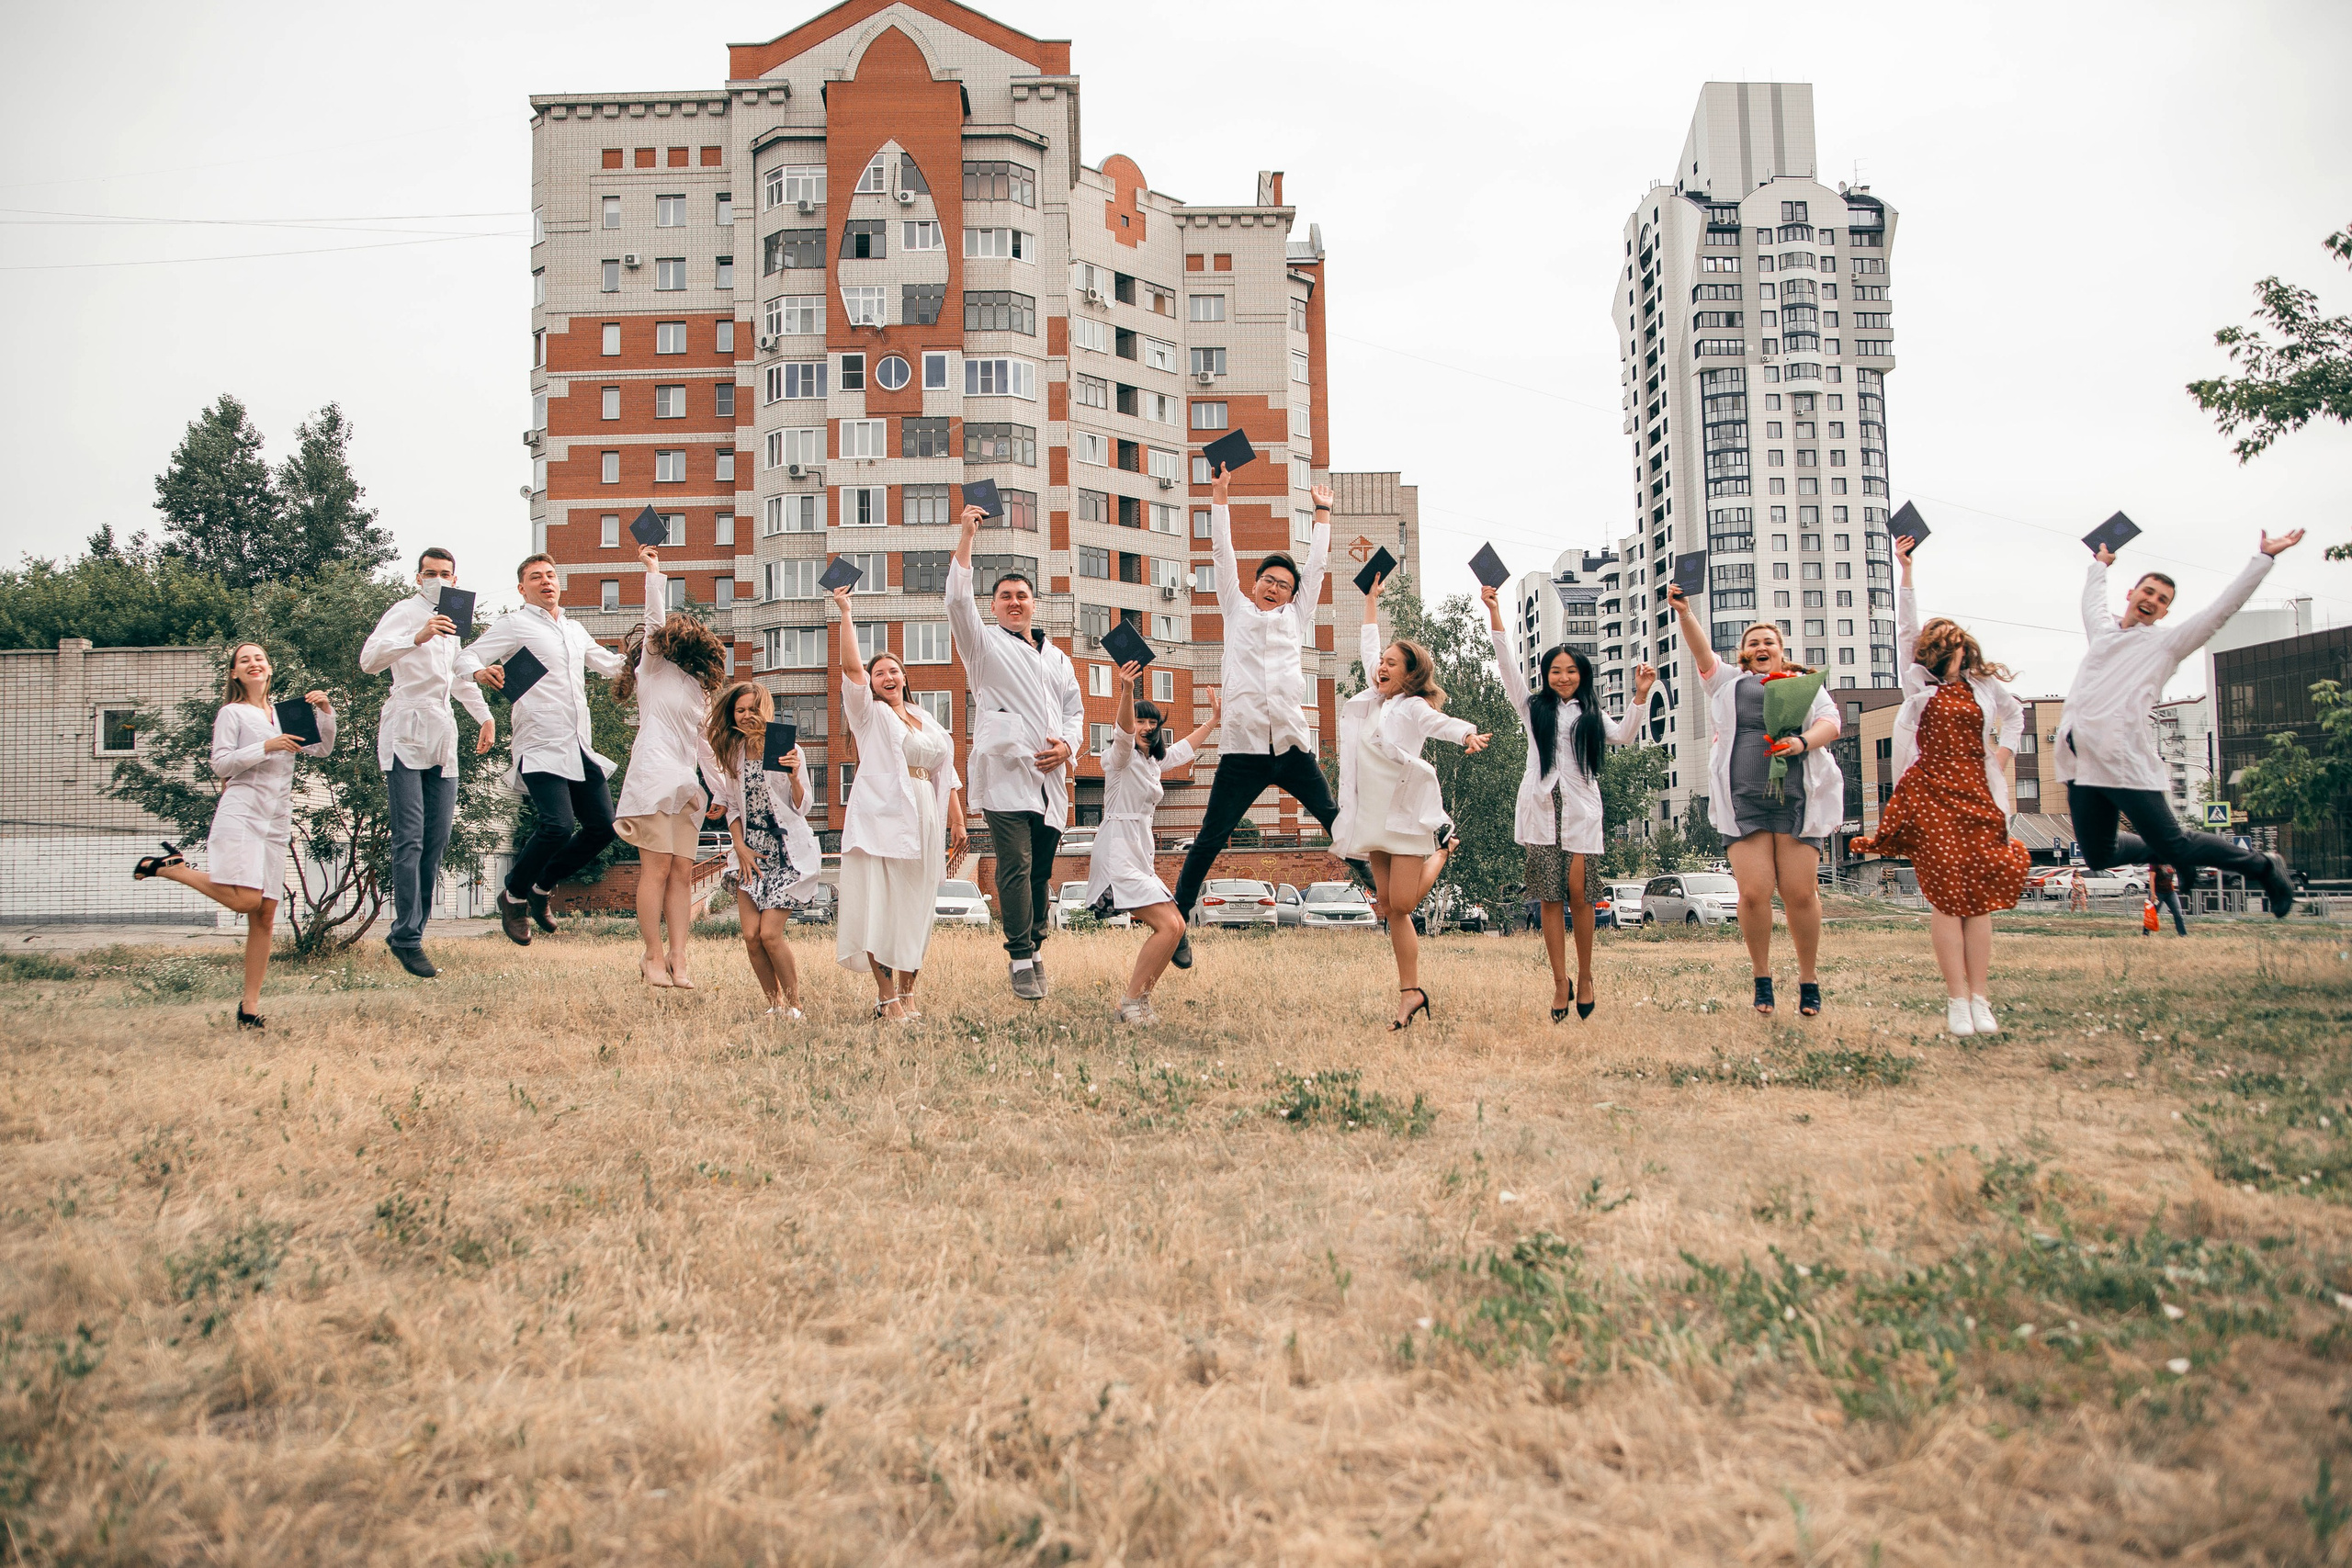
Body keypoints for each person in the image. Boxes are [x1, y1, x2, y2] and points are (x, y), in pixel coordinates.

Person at [2059, 530, 2305, 917]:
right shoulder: (2103, 633)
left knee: (2175, 842)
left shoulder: (2165, 645)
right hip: (2079, 763)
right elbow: (2091, 601)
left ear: (2164, 613)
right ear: (2132, 594)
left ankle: (2263, 865)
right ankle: (2170, 850)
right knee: (2099, 854)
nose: (2152, 600)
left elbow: (2219, 612)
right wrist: (2099, 565)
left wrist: (2263, 559)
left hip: (2122, 763)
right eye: (2149, 591)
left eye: (2162, 600)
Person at [1848, 535, 2030, 1036]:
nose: (1950, 650)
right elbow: (1906, 628)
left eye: (1952, 642)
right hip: (1935, 801)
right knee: (1948, 899)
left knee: (1980, 898)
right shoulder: (1919, 688)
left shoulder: (1986, 688)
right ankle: (1956, 1000)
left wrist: (2005, 754)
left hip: (1982, 799)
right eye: (1941, 644)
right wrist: (1905, 573)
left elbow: (2016, 719)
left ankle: (1981, 998)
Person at [1169, 468, 1338, 969]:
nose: (1274, 588)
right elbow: (1221, 556)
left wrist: (1322, 514)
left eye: (1284, 585)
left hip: (1290, 747)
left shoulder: (1297, 617)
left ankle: (1375, 877)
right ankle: (1177, 923)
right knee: (1209, 838)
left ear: (1292, 594)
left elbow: (1319, 566)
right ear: (1257, 583)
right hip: (1241, 752)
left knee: (1335, 820)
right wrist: (1218, 497)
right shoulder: (1235, 609)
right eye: (1268, 580)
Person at [131, 643, 334, 1029]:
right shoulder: (232, 712)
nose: (253, 664)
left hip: (276, 819)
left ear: (269, 668)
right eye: (245, 661)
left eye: (259, 658)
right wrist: (266, 745)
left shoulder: (287, 712)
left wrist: (325, 712)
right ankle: (172, 868)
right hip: (241, 812)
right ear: (235, 674)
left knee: (264, 916)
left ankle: (249, 1010)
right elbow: (221, 762)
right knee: (245, 901)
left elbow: (322, 749)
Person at [1668, 581, 1844, 1018]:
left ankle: (1808, 979)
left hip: (1797, 801)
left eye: (1770, 642)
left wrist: (1802, 743)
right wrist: (1685, 612)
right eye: (1753, 643)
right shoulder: (1728, 681)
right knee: (1754, 892)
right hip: (1743, 802)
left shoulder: (1804, 684)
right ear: (1745, 653)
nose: (1761, 646)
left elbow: (1831, 722)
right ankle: (1762, 978)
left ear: (1782, 652)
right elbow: (1702, 654)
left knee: (1800, 894)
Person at [1485, 583, 1654, 1021]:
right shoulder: (1532, 707)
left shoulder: (1591, 714)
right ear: (1546, 675)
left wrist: (1639, 696)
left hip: (1580, 810)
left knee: (1580, 894)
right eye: (1556, 671)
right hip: (1543, 806)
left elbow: (1625, 736)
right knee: (1549, 898)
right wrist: (1495, 612)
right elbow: (1507, 667)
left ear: (1583, 675)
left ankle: (1588, 974)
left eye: (1571, 671)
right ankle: (1561, 981)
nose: (1563, 677)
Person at [1338, 570, 1490, 1029]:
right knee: (1388, 906)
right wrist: (1370, 602)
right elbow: (1368, 647)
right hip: (1374, 814)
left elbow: (1440, 724)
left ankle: (1444, 849)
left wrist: (1466, 733)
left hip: (1403, 815)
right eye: (1380, 662)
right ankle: (1410, 992)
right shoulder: (1375, 701)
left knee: (1401, 905)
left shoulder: (1412, 706)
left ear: (1410, 675)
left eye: (1391, 664)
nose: (1381, 667)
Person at [946, 502, 1083, 1000]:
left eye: (1022, 595)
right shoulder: (983, 648)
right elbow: (958, 603)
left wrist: (1068, 745)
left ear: (1034, 602)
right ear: (995, 605)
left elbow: (1075, 710)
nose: (1014, 602)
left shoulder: (1058, 657)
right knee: (1016, 866)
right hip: (1006, 775)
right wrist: (967, 536)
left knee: (1042, 870)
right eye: (1004, 596)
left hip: (1051, 781)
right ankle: (1020, 957)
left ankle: (1037, 945)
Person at [458, 553, 628, 945]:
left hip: (578, 744)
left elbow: (611, 666)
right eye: (536, 577)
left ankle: (540, 889)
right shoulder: (514, 624)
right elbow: (465, 656)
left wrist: (651, 655)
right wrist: (480, 672)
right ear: (523, 588)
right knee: (557, 825)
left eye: (551, 575)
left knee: (604, 827)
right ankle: (514, 895)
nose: (546, 582)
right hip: (538, 740)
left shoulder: (573, 629)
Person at [357, 547, 496, 978]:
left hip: (441, 733)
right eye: (430, 573)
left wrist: (486, 715)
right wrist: (415, 637)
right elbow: (369, 661)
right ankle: (406, 936)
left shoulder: (454, 622)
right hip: (405, 728)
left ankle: (413, 930)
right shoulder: (403, 612)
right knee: (410, 837)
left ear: (455, 579)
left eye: (446, 574)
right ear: (418, 577)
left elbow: (456, 676)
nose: (438, 579)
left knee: (436, 839)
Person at [832, 585, 966, 1021]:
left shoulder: (926, 718)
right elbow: (851, 666)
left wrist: (957, 822)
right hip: (881, 818)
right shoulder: (868, 715)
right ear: (871, 684)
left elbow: (946, 773)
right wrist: (846, 611)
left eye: (893, 670)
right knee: (878, 907)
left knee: (918, 906)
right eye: (879, 674)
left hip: (926, 811)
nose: (887, 677)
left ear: (905, 676)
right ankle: (887, 996)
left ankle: (909, 994)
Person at [609, 546, 729, 987]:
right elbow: (654, 621)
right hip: (654, 779)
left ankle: (680, 959)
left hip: (685, 788)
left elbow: (705, 747)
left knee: (682, 872)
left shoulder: (698, 689)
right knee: (656, 870)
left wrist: (719, 791)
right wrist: (654, 572)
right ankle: (652, 956)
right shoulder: (652, 671)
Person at [1090, 660, 1219, 1023]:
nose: (1146, 727)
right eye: (1141, 721)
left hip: (1139, 851)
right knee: (1169, 925)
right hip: (1117, 849)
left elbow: (1182, 750)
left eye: (1152, 722)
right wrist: (1127, 691)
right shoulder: (1120, 758)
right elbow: (1123, 733)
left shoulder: (1152, 763)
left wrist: (1212, 722)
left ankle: (1140, 1001)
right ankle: (1131, 1002)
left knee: (1177, 925)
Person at [705, 680, 822, 1018]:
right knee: (750, 936)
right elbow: (732, 805)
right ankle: (775, 1005)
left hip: (786, 852)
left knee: (770, 935)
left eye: (752, 709)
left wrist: (796, 776)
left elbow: (803, 808)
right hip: (749, 852)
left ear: (764, 710)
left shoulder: (784, 746)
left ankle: (795, 1005)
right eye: (739, 710)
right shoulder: (733, 752)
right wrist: (738, 845)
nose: (745, 716)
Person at [2153, 862, 2190, 936]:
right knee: (2152, 914)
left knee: (2178, 913)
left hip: (2170, 892)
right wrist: (2153, 894)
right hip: (2158, 892)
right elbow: (2151, 879)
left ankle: (2183, 934)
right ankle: (2145, 933)